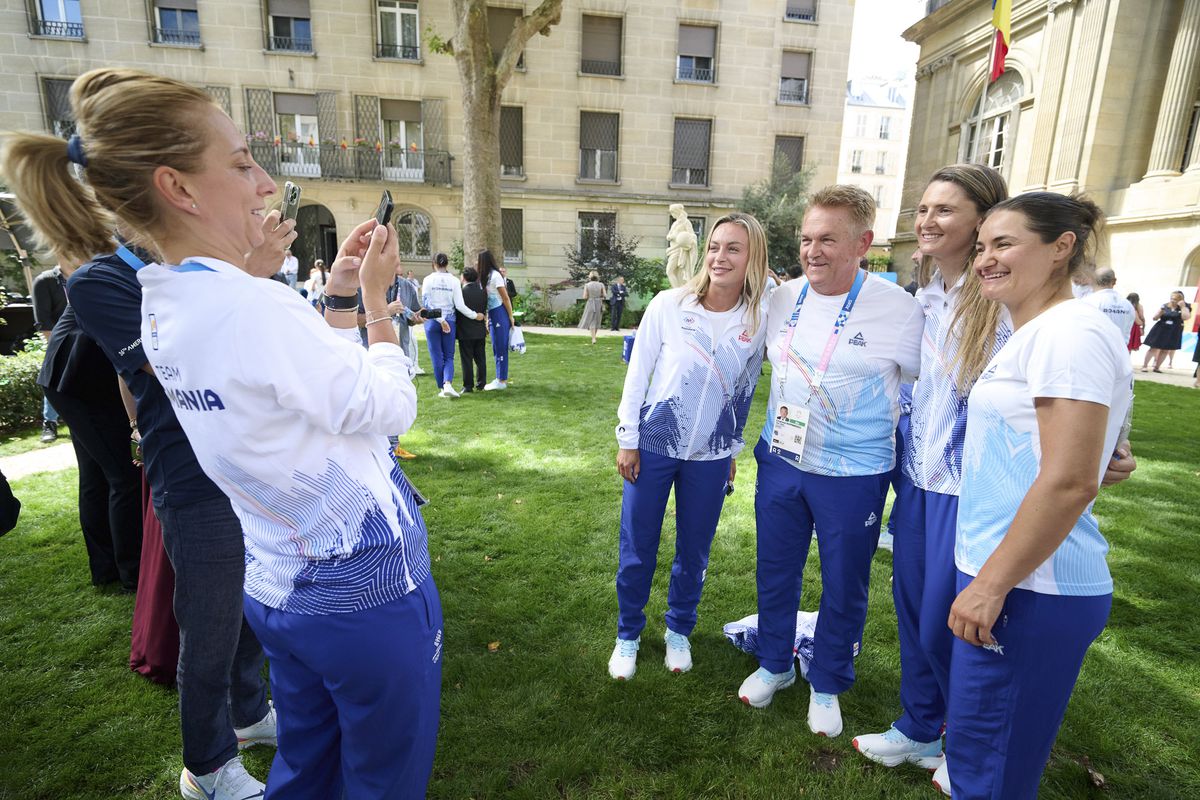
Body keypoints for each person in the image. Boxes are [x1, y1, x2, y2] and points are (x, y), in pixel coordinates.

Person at [4, 67, 439, 800]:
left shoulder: (164, 303)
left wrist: (329, 294)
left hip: (281, 586)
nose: (265, 182)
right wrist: (378, 306)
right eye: (241, 162)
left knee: (306, 764)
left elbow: (304, 389)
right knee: (382, 779)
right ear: (178, 188)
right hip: (366, 592)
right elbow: (389, 408)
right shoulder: (249, 308)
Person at [945, 193, 1132, 798]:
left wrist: (989, 585)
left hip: (1029, 586)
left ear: (1061, 248)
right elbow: (1072, 454)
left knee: (993, 771)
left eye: (1004, 244)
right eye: (981, 247)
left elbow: (1070, 479)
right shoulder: (1041, 331)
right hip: (1012, 577)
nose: (985, 260)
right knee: (978, 757)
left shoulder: (1068, 333)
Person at [737, 186, 923, 741]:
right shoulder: (780, 298)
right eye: (806, 238)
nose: (812, 251)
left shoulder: (900, 309)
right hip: (782, 460)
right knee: (775, 568)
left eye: (827, 240)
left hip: (856, 474)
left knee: (845, 583)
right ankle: (774, 664)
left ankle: (828, 682)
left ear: (863, 244)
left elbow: (931, 388)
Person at [850, 163, 1012, 781]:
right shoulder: (925, 299)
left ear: (982, 219)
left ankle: (964, 746)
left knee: (960, 623)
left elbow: (1075, 365)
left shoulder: (1000, 297)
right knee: (917, 612)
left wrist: (1113, 442)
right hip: (914, 482)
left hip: (970, 489)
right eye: (922, 209)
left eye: (944, 210)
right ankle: (920, 728)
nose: (926, 220)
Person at [610, 212, 769, 680]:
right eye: (715, 246)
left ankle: (679, 629)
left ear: (752, 258)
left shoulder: (758, 317)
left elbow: (744, 389)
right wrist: (628, 439)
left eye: (733, 249)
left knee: (694, 550)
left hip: (712, 455)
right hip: (654, 446)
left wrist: (733, 450)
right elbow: (638, 374)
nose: (719, 257)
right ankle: (628, 634)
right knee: (638, 546)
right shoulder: (669, 304)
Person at [38, 259, 143, 592]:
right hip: (80, 384)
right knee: (123, 476)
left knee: (97, 475)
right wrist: (134, 422)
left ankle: (105, 569)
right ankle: (132, 574)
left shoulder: (114, 268)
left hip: (69, 381)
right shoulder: (109, 275)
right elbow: (124, 363)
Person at [422, 251, 484, 398]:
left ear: (434, 264)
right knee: (449, 356)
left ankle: (442, 389)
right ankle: (447, 383)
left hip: (433, 322)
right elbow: (460, 306)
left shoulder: (427, 280)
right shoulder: (455, 281)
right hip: (450, 320)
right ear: (447, 264)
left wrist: (439, 319)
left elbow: (427, 303)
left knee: (436, 356)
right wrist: (476, 316)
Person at [31, 264, 67, 442]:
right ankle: (49, 423)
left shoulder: (86, 273)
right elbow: (43, 321)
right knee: (54, 378)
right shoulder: (45, 281)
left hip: (91, 340)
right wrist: (57, 348)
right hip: (60, 341)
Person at [478, 249, 514, 390]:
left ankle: (501, 380)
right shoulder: (487, 277)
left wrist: (510, 316)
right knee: (496, 346)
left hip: (499, 313)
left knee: (500, 347)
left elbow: (505, 297)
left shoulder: (495, 276)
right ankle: (500, 378)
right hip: (493, 313)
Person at [1141, 290, 1192, 372]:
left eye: (1175, 299)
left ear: (1181, 300)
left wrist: (1183, 307)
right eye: (1172, 298)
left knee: (1166, 349)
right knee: (1153, 348)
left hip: (1174, 330)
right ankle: (1145, 366)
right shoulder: (1165, 306)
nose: (1172, 300)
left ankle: (1157, 367)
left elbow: (1185, 317)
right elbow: (1154, 318)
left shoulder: (1185, 307)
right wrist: (1160, 312)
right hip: (1161, 328)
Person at [1081, 267, 1135, 341]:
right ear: (1114, 281)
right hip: (1122, 350)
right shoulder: (1128, 305)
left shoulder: (1087, 303)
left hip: (1097, 349)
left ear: (1093, 280)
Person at [457, 267, 489, 392]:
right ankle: (481, 383)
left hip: (465, 330)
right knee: (481, 359)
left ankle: (468, 385)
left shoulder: (461, 292)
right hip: (479, 330)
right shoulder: (483, 292)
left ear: (464, 278)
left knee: (467, 359)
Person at [577, 270, 606, 344]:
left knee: (592, 321)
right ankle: (594, 337)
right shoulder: (601, 285)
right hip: (599, 303)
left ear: (590, 277)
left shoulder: (587, 285)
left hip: (590, 303)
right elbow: (604, 295)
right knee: (596, 320)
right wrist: (600, 297)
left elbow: (584, 297)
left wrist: (590, 296)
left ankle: (593, 338)